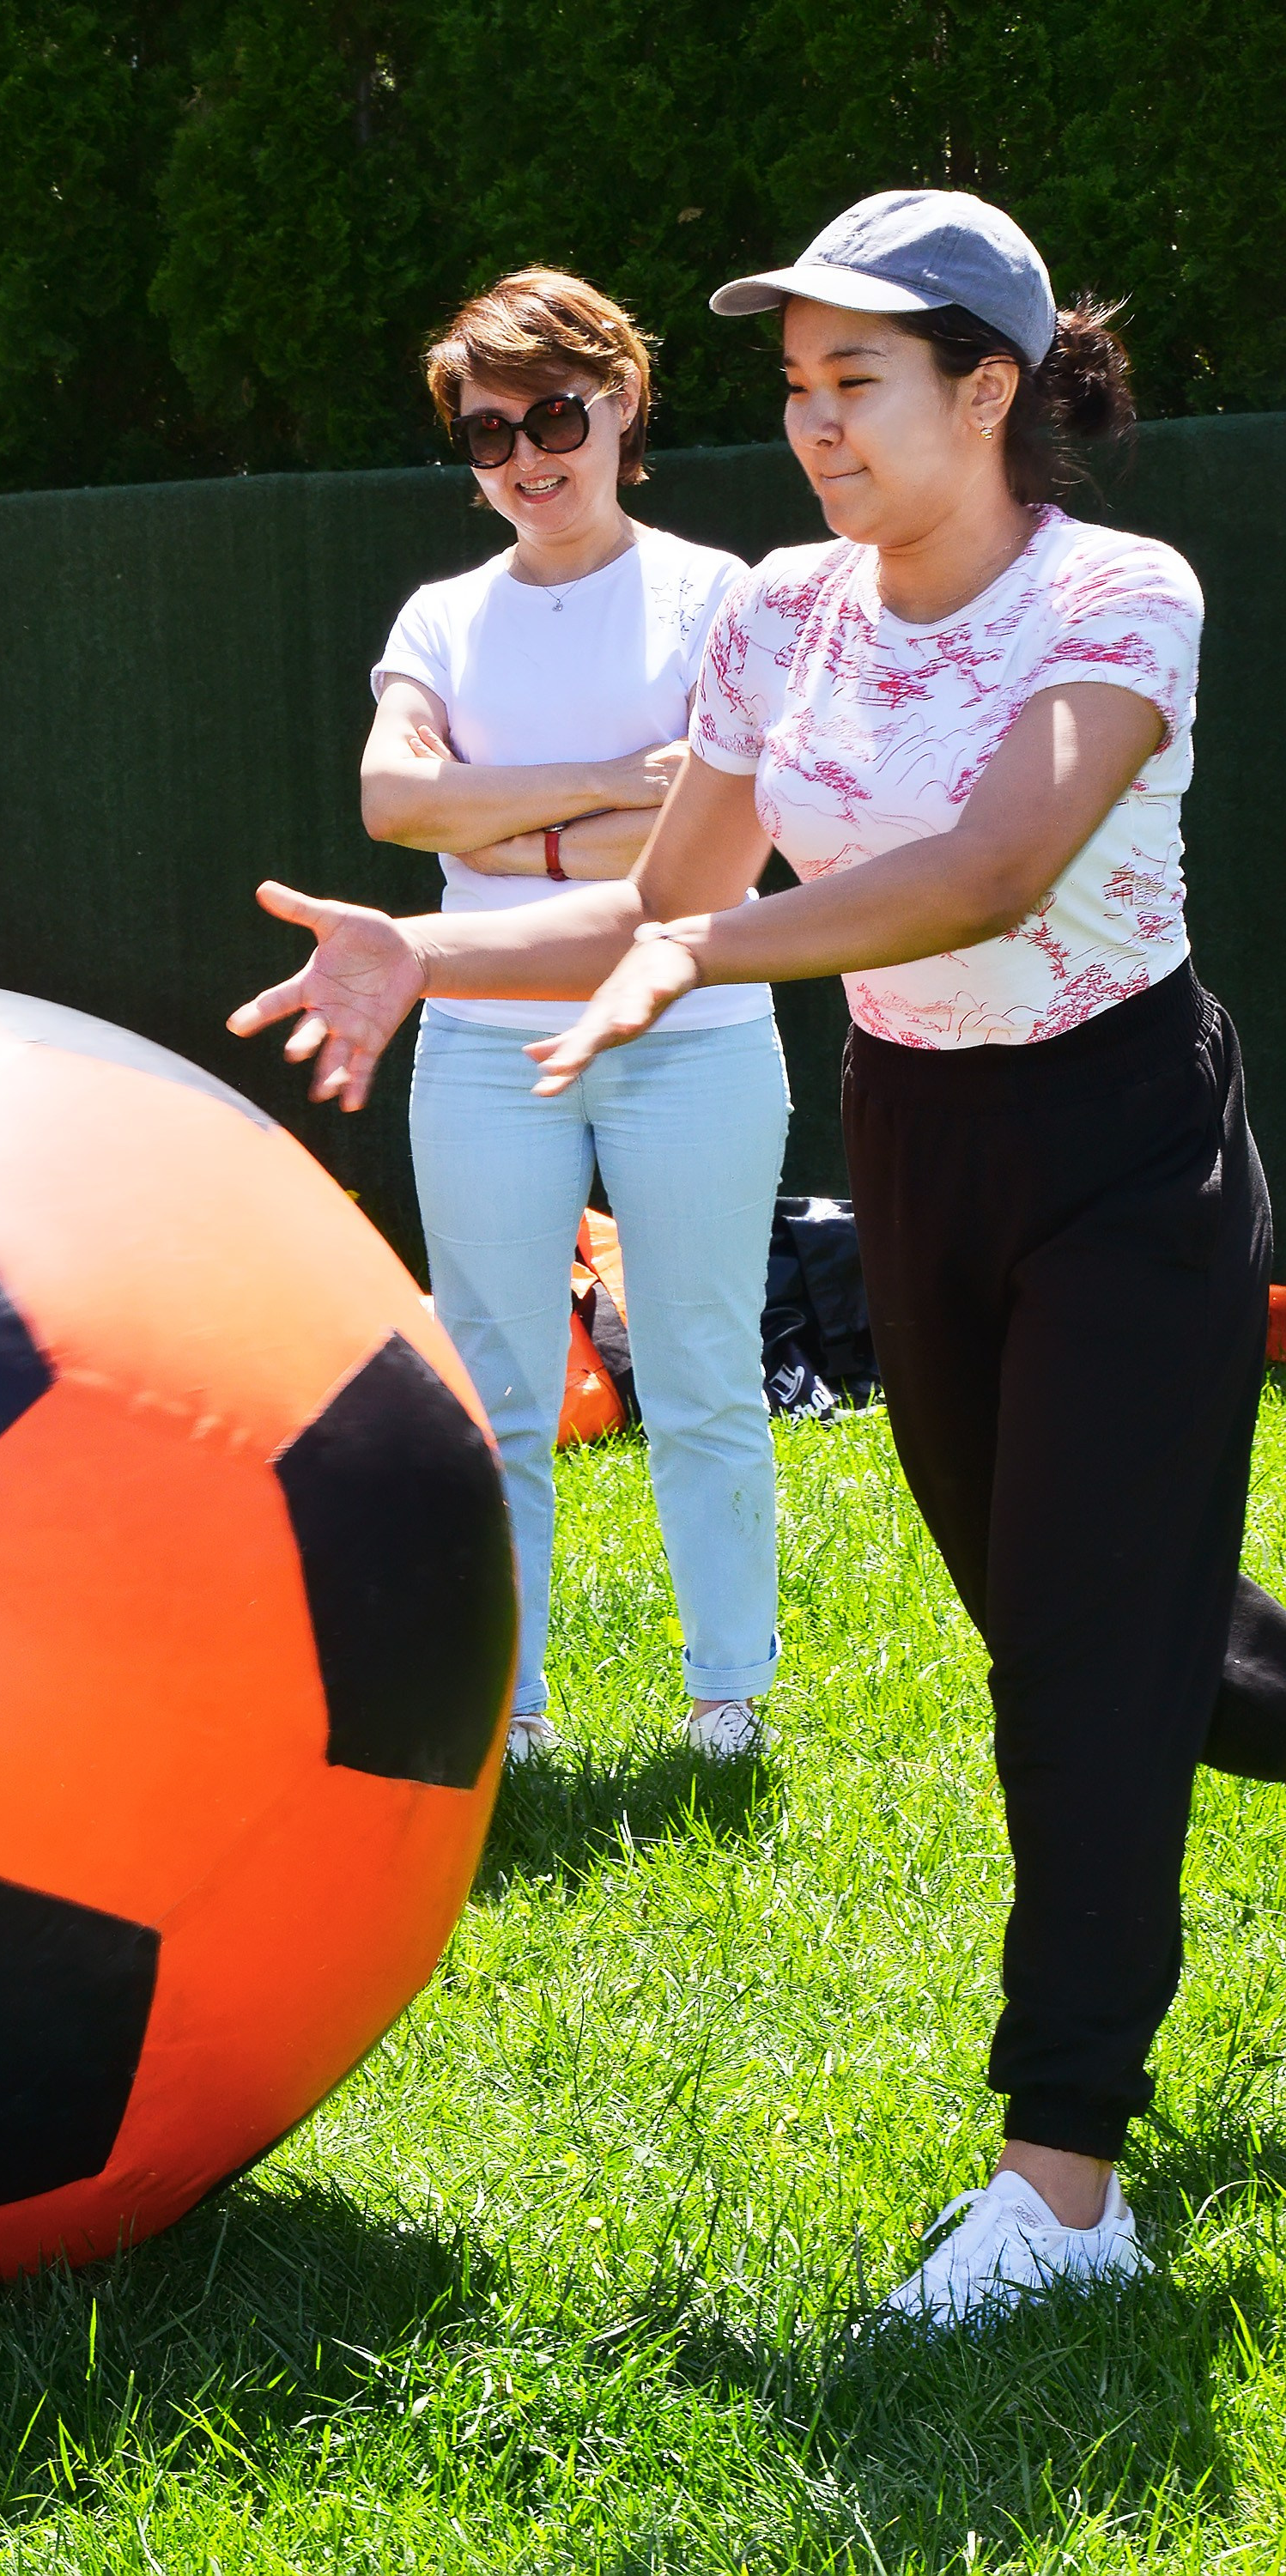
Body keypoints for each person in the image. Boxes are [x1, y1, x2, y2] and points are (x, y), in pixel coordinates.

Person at [231, 188, 1286, 2328]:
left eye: (856, 378)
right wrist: (417, 949)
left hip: (1118, 1144)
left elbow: (988, 871)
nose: (810, 424)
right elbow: (663, 892)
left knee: (1070, 1677)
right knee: (1107, 1625)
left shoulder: (1111, 589)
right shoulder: (778, 612)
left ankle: (1060, 2186)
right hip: (917, 1142)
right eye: (792, 382)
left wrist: (707, 943)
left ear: (983, 389)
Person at [361, 270, 787, 1765]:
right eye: (488, 435)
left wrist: (498, 829)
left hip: (695, 1037)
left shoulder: (718, 592)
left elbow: (726, 841)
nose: (529, 456)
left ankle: (730, 1694)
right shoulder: (441, 613)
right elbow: (392, 799)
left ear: (624, 406)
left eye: (556, 415)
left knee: (700, 1368)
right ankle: (511, 1709)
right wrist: (618, 785)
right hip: (483, 1042)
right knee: (493, 1388)